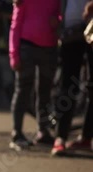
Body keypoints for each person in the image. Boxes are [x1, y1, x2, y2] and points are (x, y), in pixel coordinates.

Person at [8, 0, 61, 151]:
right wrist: (14, 55)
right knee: (23, 89)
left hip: (49, 48)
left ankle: (43, 130)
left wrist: (57, 21)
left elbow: (61, 16)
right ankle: (17, 133)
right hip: (26, 47)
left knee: (44, 90)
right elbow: (15, 25)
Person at [52, 0, 93, 155]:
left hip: (92, 25)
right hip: (71, 30)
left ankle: (87, 137)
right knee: (68, 85)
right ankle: (60, 137)